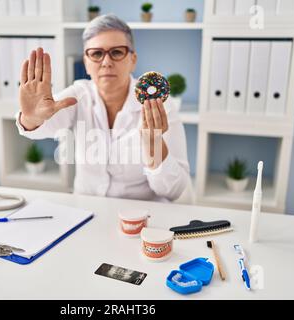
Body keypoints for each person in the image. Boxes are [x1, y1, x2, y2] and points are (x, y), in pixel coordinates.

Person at [16, 14, 190, 202]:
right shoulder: (78, 95)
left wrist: (154, 146)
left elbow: (175, 191)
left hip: (141, 215)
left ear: (133, 59)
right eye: (97, 54)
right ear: (86, 62)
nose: (106, 62)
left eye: (116, 52)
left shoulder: (160, 105)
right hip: (86, 211)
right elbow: (40, 126)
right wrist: (31, 117)